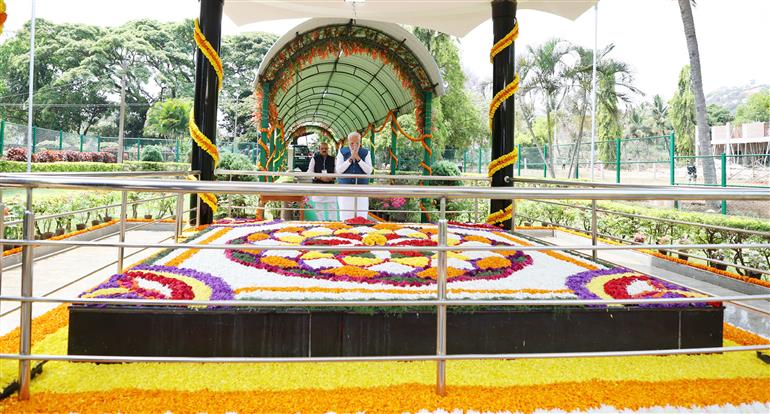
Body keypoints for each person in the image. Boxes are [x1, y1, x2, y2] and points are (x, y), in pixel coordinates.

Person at [336, 131, 373, 220]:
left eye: (357, 143)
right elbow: (339, 170)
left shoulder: (366, 152)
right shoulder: (342, 152)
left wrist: (358, 159)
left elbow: (369, 171)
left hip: (362, 189)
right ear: (348, 142)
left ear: (360, 142)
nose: (354, 146)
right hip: (345, 189)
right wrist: (350, 159)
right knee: (345, 216)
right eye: (352, 143)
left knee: (361, 216)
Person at [306, 142, 337, 220]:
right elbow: (310, 172)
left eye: (326, 149)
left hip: (330, 186)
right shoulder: (314, 159)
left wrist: (331, 178)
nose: (324, 150)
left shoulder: (333, 159)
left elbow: (337, 172)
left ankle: (333, 223)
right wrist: (319, 177)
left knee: (332, 206)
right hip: (318, 185)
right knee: (319, 206)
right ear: (319, 149)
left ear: (328, 149)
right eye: (322, 149)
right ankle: (321, 223)